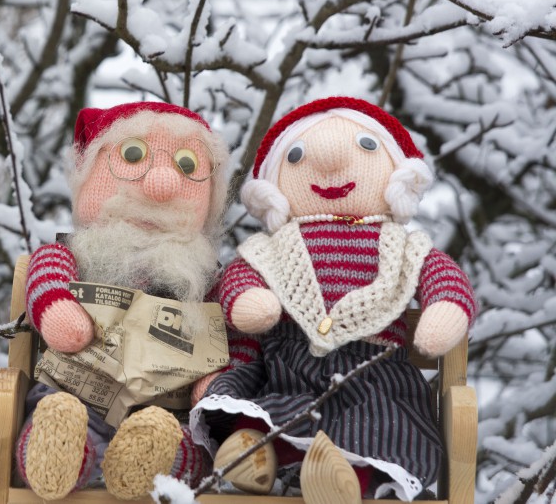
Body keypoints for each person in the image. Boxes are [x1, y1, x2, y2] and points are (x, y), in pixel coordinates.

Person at [191, 96, 477, 503]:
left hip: (376, 373)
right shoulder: (273, 246)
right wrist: (250, 300)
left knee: (381, 425)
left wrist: (444, 309)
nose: (329, 165)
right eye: (297, 156)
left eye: (366, 149)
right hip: (290, 367)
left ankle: (351, 482)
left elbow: (443, 277)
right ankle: (260, 453)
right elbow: (243, 274)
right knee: (269, 407)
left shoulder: (402, 246)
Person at [16, 101, 230, 500]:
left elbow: (224, 337)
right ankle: (59, 450)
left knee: (180, 442)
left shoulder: (205, 278)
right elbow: (47, 275)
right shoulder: (75, 257)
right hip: (79, 395)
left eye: (186, 165)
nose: (160, 184)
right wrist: (58, 311)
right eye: (133, 155)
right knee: (61, 416)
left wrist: (215, 381)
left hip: (171, 412)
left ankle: (150, 461)